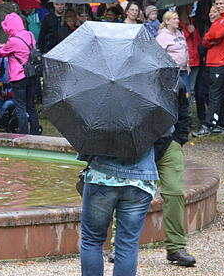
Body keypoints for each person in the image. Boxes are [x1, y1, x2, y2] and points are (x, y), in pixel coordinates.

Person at [79, 147, 158, 276]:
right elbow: (165, 132)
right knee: (128, 243)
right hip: (140, 179)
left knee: (92, 239)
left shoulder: (100, 125)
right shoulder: (149, 125)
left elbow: (85, 135)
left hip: (101, 176)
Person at [153, 79, 197, 267]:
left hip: (168, 143)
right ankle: (119, 246)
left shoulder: (175, 82)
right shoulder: (127, 80)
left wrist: (178, 140)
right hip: (138, 146)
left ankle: (176, 248)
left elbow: (184, 112)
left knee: (174, 192)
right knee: (129, 192)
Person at [195, 0, 224, 137]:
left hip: (222, 61)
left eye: (221, 3)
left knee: (215, 94)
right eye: (217, 3)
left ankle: (208, 125)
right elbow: (207, 39)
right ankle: (221, 124)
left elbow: (217, 35)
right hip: (212, 61)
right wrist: (209, 38)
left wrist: (210, 38)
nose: (219, 6)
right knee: (216, 93)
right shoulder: (219, 20)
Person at [0, 13, 40, 135]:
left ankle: (23, 135)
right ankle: (35, 133)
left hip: (19, 78)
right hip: (32, 75)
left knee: (20, 107)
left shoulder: (13, 40)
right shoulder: (30, 35)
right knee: (31, 107)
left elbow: (1, 53)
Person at [156, 11, 190, 89]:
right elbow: (158, 56)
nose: (177, 20)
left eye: (177, 18)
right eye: (174, 19)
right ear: (167, 21)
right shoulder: (162, 36)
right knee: (175, 97)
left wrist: (187, 64)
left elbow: (186, 49)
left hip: (183, 70)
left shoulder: (180, 33)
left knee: (187, 96)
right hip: (171, 72)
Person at [177, 4, 201, 97]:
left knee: (191, 88)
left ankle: (188, 109)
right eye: (190, 6)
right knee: (185, 88)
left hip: (196, 58)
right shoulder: (177, 23)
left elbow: (197, 39)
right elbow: (179, 41)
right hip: (186, 60)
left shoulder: (192, 21)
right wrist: (188, 32)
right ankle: (185, 109)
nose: (192, 8)